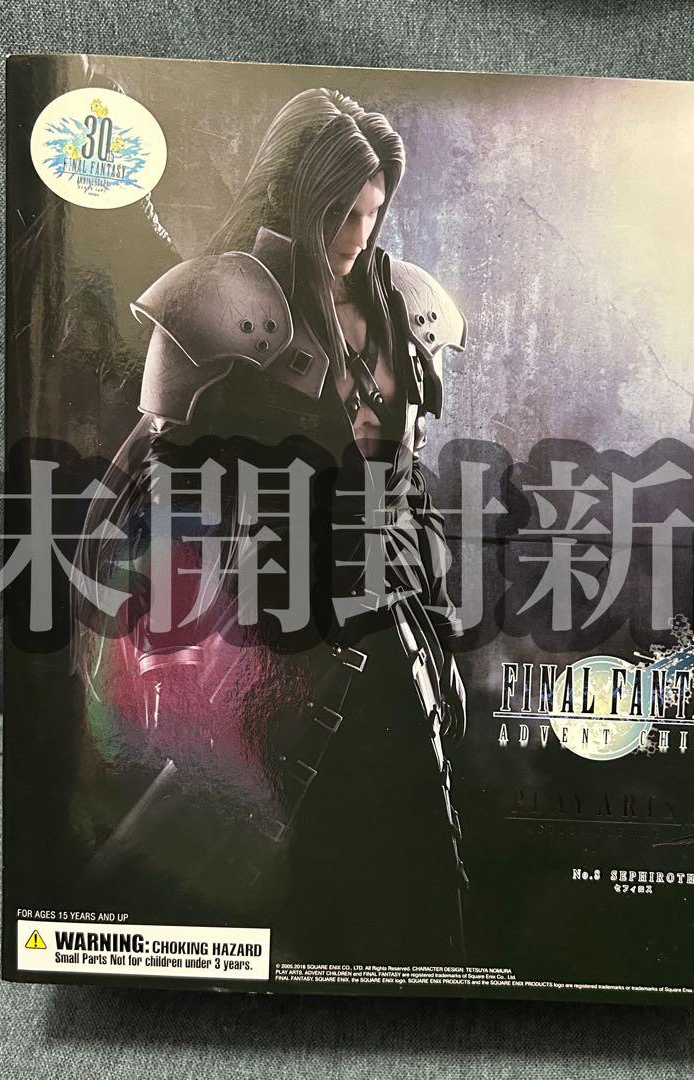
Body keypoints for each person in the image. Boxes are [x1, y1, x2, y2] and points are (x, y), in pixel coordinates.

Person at [74, 88, 471, 964]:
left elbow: (410, 488)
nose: (358, 234)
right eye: (340, 212)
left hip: (388, 627)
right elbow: (151, 491)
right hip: (262, 639)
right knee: (244, 873)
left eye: (372, 212)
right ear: (298, 196)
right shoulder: (224, 304)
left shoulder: (405, 308)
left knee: (415, 866)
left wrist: (438, 614)